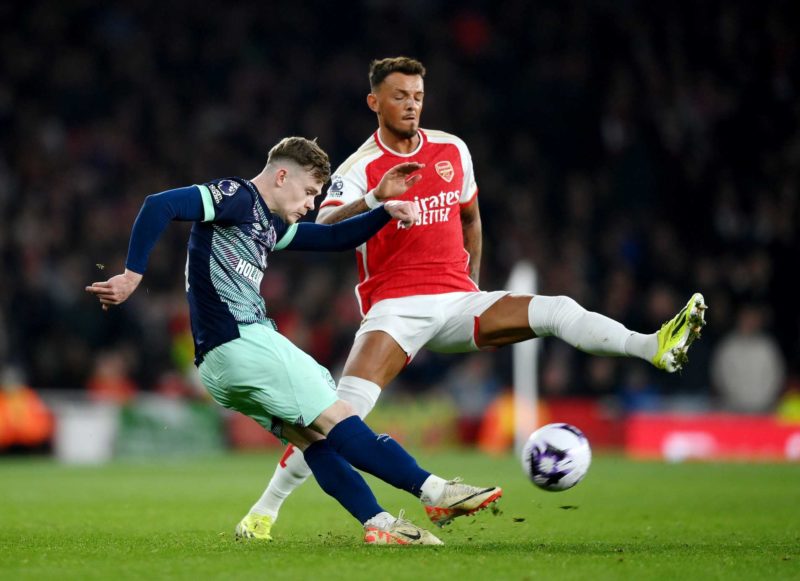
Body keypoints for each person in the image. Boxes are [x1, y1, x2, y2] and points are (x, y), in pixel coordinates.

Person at [245, 57, 709, 540]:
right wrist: (377, 198)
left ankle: (651, 346)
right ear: (374, 102)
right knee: (338, 416)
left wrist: (473, 282)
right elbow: (324, 228)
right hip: (395, 308)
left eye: (418, 96)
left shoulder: (452, 149)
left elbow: (471, 218)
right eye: (400, 96)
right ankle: (264, 511)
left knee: (556, 309)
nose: (411, 105)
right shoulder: (359, 168)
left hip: (458, 301)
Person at [85, 136, 502, 546]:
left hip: (218, 366)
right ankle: (434, 492)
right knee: (342, 421)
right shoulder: (238, 197)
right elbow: (160, 204)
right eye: (308, 192)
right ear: (281, 176)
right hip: (243, 340)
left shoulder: (268, 224)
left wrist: (381, 206)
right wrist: (132, 274)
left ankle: (379, 522)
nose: (310, 205)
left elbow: (334, 238)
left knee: (314, 440)